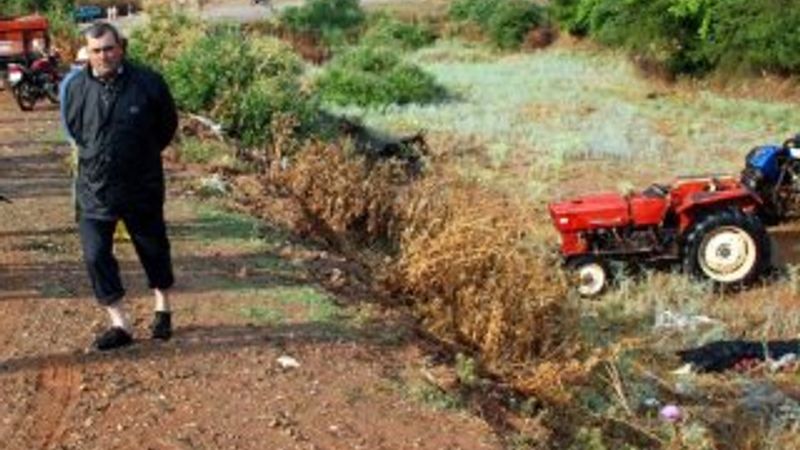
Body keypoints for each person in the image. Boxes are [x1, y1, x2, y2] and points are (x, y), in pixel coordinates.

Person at [61, 22, 178, 351]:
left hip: (141, 185)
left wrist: (137, 154)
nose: (104, 55)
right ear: (87, 52)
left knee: (153, 248)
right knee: (95, 254)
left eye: (109, 48)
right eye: (97, 50)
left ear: (121, 47)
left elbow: (166, 126)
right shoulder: (75, 86)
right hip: (93, 188)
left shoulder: (149, 83)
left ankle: (162, 309)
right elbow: (74, 128)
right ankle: (120, 323)